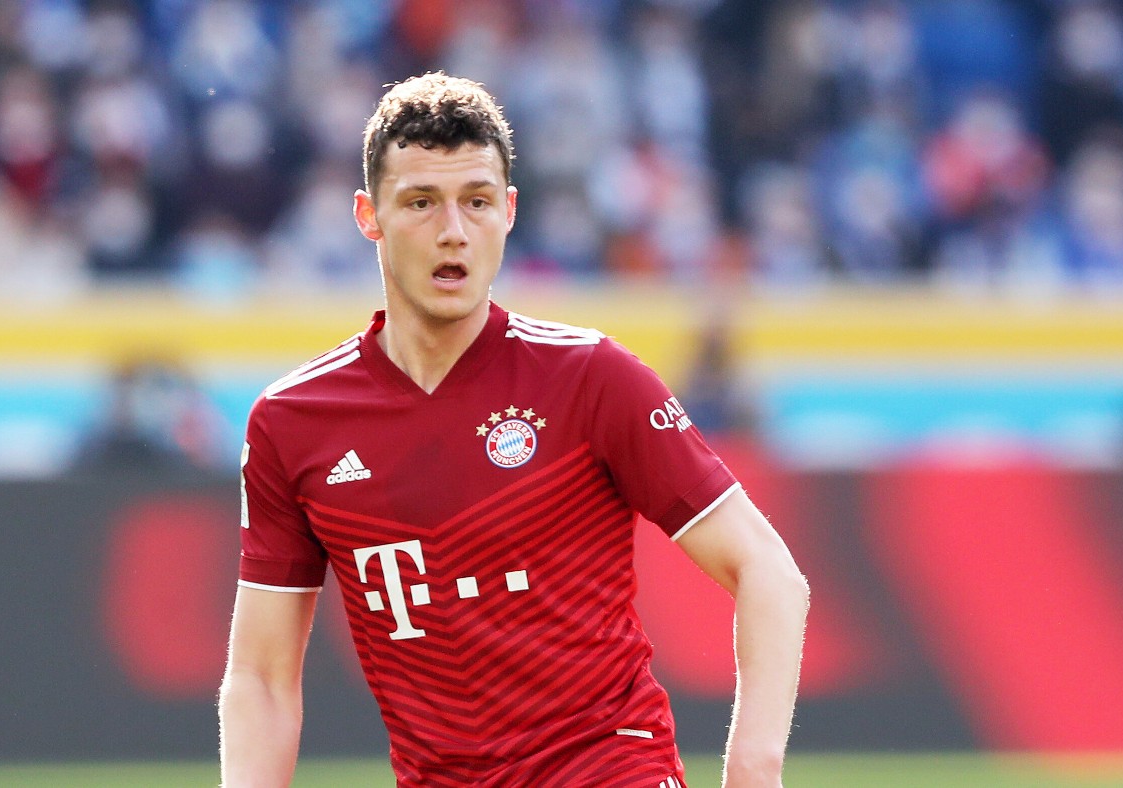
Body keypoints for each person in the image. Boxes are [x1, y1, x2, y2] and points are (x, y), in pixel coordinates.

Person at [220, 73, 809, 788]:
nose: (453, 231)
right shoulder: (292, 422)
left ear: (509, 210)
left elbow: (768, 571)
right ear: (368, 215)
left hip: (610, 768)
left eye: (477, 201)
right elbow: (261, 675)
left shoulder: (591, 378)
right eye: (420, 203)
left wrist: (752, 767)